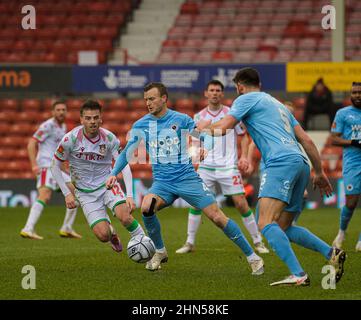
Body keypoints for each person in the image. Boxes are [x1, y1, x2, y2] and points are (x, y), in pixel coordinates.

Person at [196, 67, 346, 286]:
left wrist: (204, 128)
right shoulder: (278, 105)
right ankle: (330, 253)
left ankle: (299, 274)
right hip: (301, 163)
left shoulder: (246, 99)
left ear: (239, 86)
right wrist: (319, 171)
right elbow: (307, 140)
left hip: (280, 163)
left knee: (265, 222)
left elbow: (224, 127)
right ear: (260, 85)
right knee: (283, 226)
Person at [106, 82, 264, 274]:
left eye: (152, 98)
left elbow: (205, 137)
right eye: (146, 99)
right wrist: (114, 174)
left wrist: (205, 147)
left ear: (164, 98)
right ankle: (160, 251)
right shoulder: (141, 125)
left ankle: (253, 257)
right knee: (147, 207)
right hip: (163, 183)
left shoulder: (181, 119)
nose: (148, 103)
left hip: (187, 179)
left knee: (217, 217)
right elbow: (126, 154)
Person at [176, 80, 269, 254]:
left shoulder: (231, 114)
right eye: (211, 90)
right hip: (205, 167)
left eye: (218, 90)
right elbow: (194, 138)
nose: (215, 93)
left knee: (241, 203)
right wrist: (196, 152)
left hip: (228, 166)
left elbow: (243, 137)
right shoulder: (198, 117)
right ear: (206, 93)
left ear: (222, 94)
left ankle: (258, 241)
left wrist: (245, 157)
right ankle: (189, 242)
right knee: (197, 204)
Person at [50, 100, 145, 252]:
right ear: (81, 120)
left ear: (101, 118)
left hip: (107, 185)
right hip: (85, 193)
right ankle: (112, 234)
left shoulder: (109, 138)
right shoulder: (70, 139)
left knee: (125, 216)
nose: (92, 121)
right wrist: (67, 194)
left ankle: (148, 247)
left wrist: (130, 195)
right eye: (88, 118)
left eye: (95, 118)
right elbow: (54, 165)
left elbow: (123, 164)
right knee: (103, 235)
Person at [20, 101, 81, 240]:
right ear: (53, 112)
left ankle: (67, 228)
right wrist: (34, 165)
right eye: (58, 109)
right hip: (46, 166)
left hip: (57, 167)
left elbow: (60, 150)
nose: (61, 112)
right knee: (45, 195)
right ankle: (28, 228)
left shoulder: (63, 127)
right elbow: (31, 143)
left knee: (76, 193)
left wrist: (65, 166)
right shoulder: (47, 125)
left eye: (63, 109)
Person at [330, 82, 361, 252]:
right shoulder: (343, 113)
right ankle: (342, 232)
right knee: (351, 202)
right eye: (354, 92)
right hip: (352, 163)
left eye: (360, 92)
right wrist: (354, 142)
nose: (357, 95)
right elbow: (334, 139)